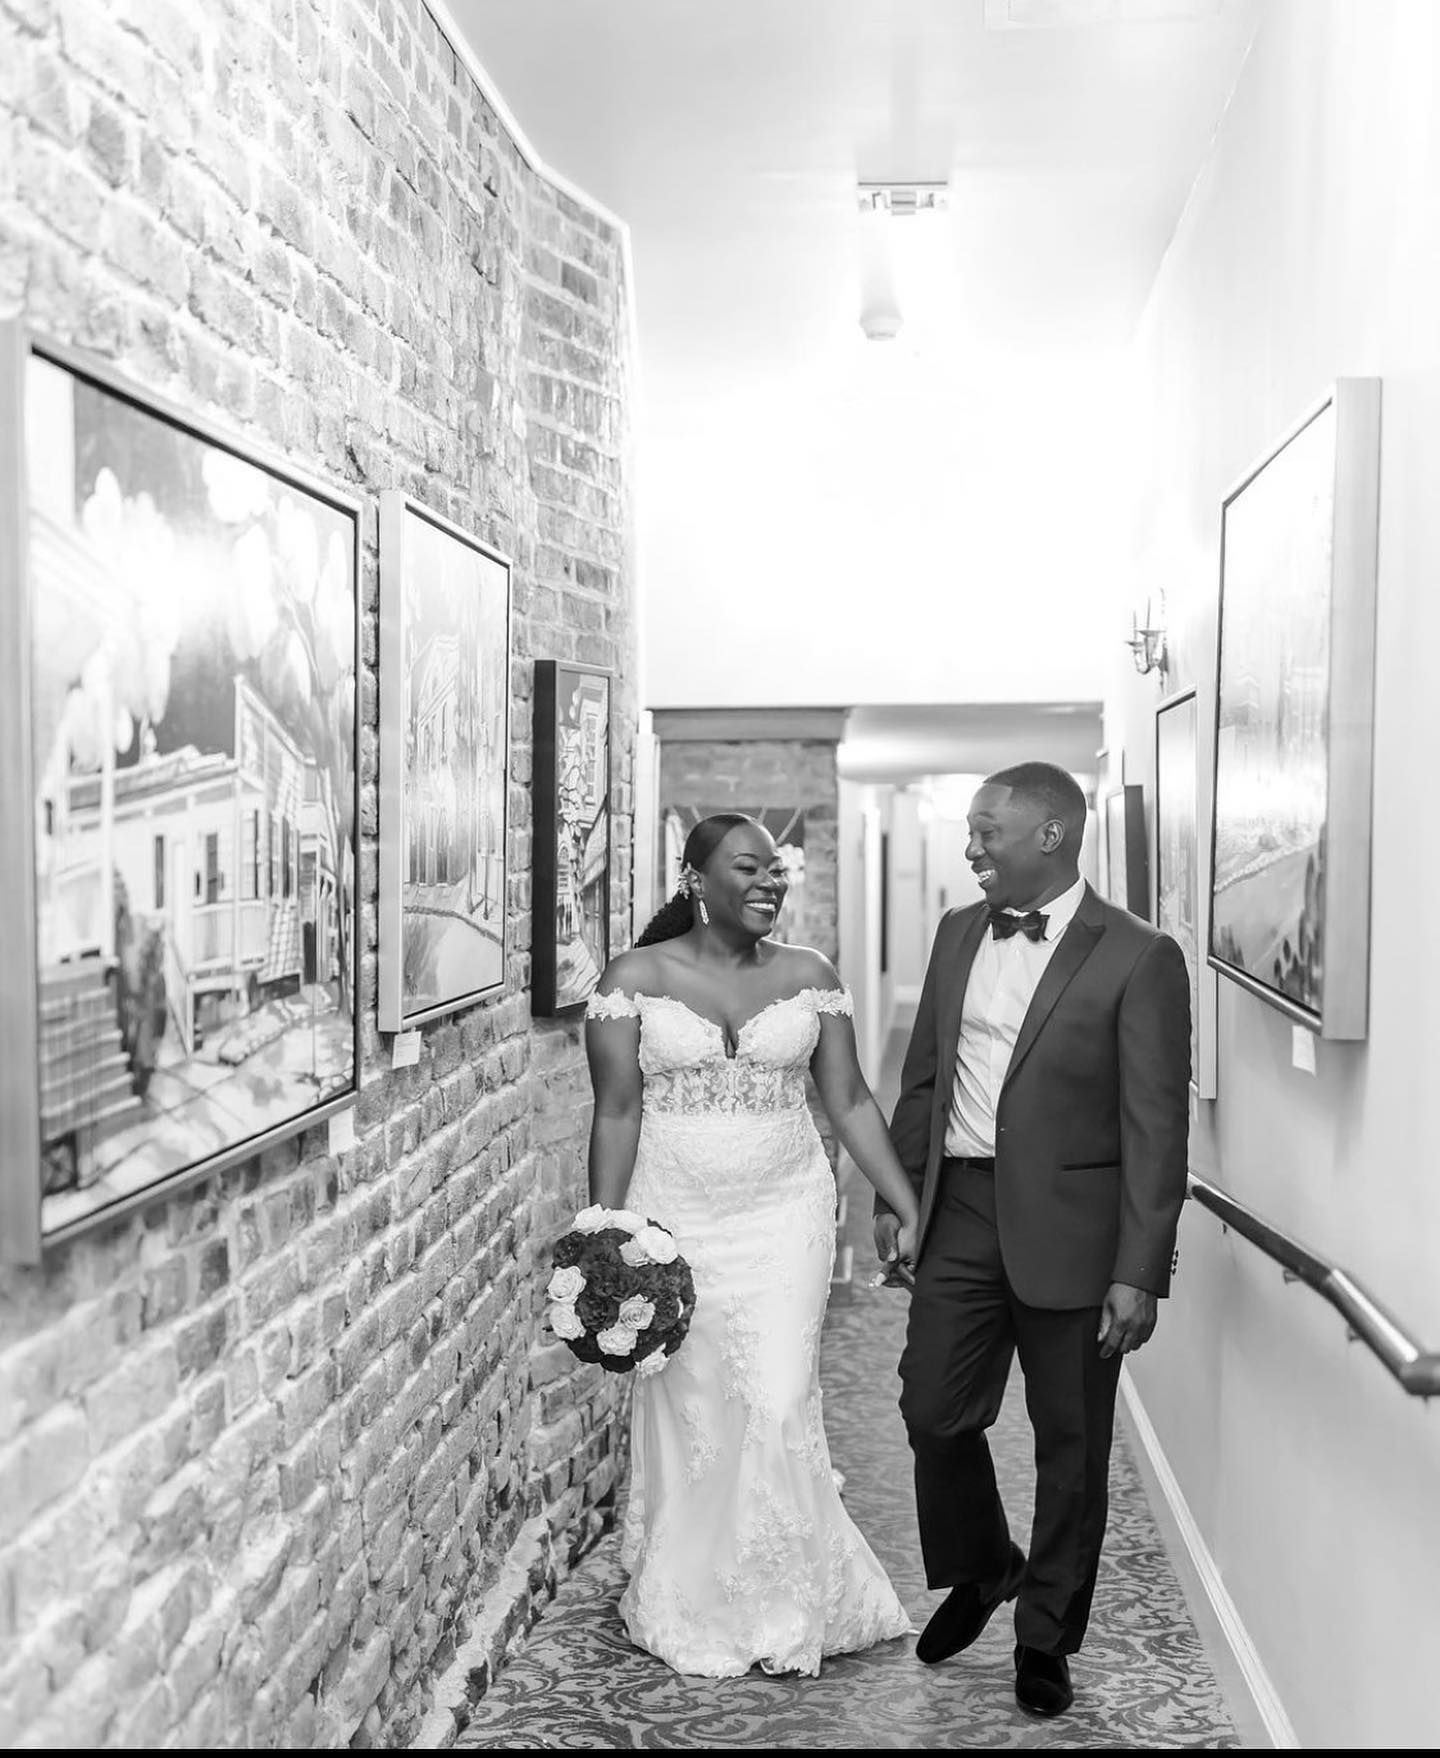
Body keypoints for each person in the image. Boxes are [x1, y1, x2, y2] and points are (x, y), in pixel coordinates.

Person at [874, 762, 1190, 1718]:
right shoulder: (958, 931)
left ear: (1050, 834)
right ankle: (983, 1564)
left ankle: (1045, 1638)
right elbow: (925, 1072)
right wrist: (897, 1197)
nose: (970, 849)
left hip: (1078, 1239)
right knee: (932, 1408)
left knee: (1072, 1447)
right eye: (969, 832)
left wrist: (1139, 1271)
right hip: (962, 1210)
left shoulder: (1138, 955)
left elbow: (1155, 1127)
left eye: (986, 832)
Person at [585, 811, 920, 1678]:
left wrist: (902, 1198)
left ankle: (779, 1598)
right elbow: (618, 1110)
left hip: (787, 1213)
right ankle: (694, 1584)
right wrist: (605, 1236)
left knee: (773, 1397)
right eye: (750, 867)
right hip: (675, 1218)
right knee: (695, 1407)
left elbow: (847, 1102)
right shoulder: (634, 978)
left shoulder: (812, 978)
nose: (772, 881)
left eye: (779, 870)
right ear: (696, 879)